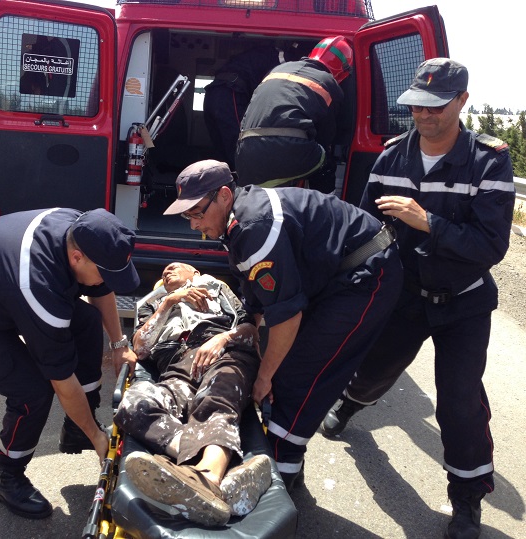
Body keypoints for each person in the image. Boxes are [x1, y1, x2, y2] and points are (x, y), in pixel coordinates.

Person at [320, 58, 515, 539]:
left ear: (462, 101)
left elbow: (491, 245)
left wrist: (427, 222)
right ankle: (349, 405)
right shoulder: (391, 157)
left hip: (464, 303)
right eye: (416, 107)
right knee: (373, 372)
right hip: (405, 296)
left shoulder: (489, 160)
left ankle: (466, 501)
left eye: (435, 107)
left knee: (460, 402)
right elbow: (364, 229)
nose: (423, 116)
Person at [162, 159, 403, 494]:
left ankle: (282, 476)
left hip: (365, 275)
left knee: (298, 376)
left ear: (224, 195)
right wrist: (248, 322)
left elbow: (287, 317)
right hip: (336, 272)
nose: (193, 225)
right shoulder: (237, 218)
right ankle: (284, 463)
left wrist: (263, 377)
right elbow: (255, 280)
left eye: (197, 213)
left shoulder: (255, 225)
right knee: (286, 367)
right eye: (187, 215)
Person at [0, 207, 140, 519]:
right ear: (76, 259)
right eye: (104, 271)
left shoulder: (81, 230)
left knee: (86, 321)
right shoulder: (38, 287)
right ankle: (7, 475)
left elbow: (100, 289)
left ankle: (75, 429)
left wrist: (118, 344)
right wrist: (98, 438)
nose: (105, 280)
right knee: (31, 390)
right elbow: (62, 381)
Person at [114, 262, 270, 526]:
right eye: (163, 270)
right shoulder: (153, 303)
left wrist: (222, 339)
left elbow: (250, 331)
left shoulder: (218, 289)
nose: (166, 270)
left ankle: (207, 476)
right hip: (176, 365)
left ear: (196, 273)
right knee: (133, 404)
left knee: (216, 398)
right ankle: (215, 476)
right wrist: (169, 302)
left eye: (175, 267)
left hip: (223, 354)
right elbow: (140, 348)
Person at [235, 36, 353, 193]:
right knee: (325, 164)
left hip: (244, 153)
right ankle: (325, 213)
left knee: (252, 198)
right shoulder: (329, 83)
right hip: (289, 152)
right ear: (343, 72)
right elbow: (325, 137)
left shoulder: (277, 70)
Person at [203, 43, 287, 169]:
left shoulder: (252, 55)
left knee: (221, 146)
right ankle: (242, 180)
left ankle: (226, 178)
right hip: (230, 92)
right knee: (238, 143)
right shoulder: (280, 57)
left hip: (213, 93)